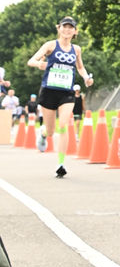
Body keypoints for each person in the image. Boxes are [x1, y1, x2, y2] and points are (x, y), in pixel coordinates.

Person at [27, 16, 94, 177]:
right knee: (51, 131)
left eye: (71, 27)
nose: (67, 30)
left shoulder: (76, 49)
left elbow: (80, 67)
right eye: (65, 26)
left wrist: (86, 78)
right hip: (49, 91)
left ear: (75, 31)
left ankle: (61, 164)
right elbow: (31, 61)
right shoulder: (50, 45)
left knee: (63, 124)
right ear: (59, 28)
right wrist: (40, 64)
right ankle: (43, 133)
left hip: (66, 92)